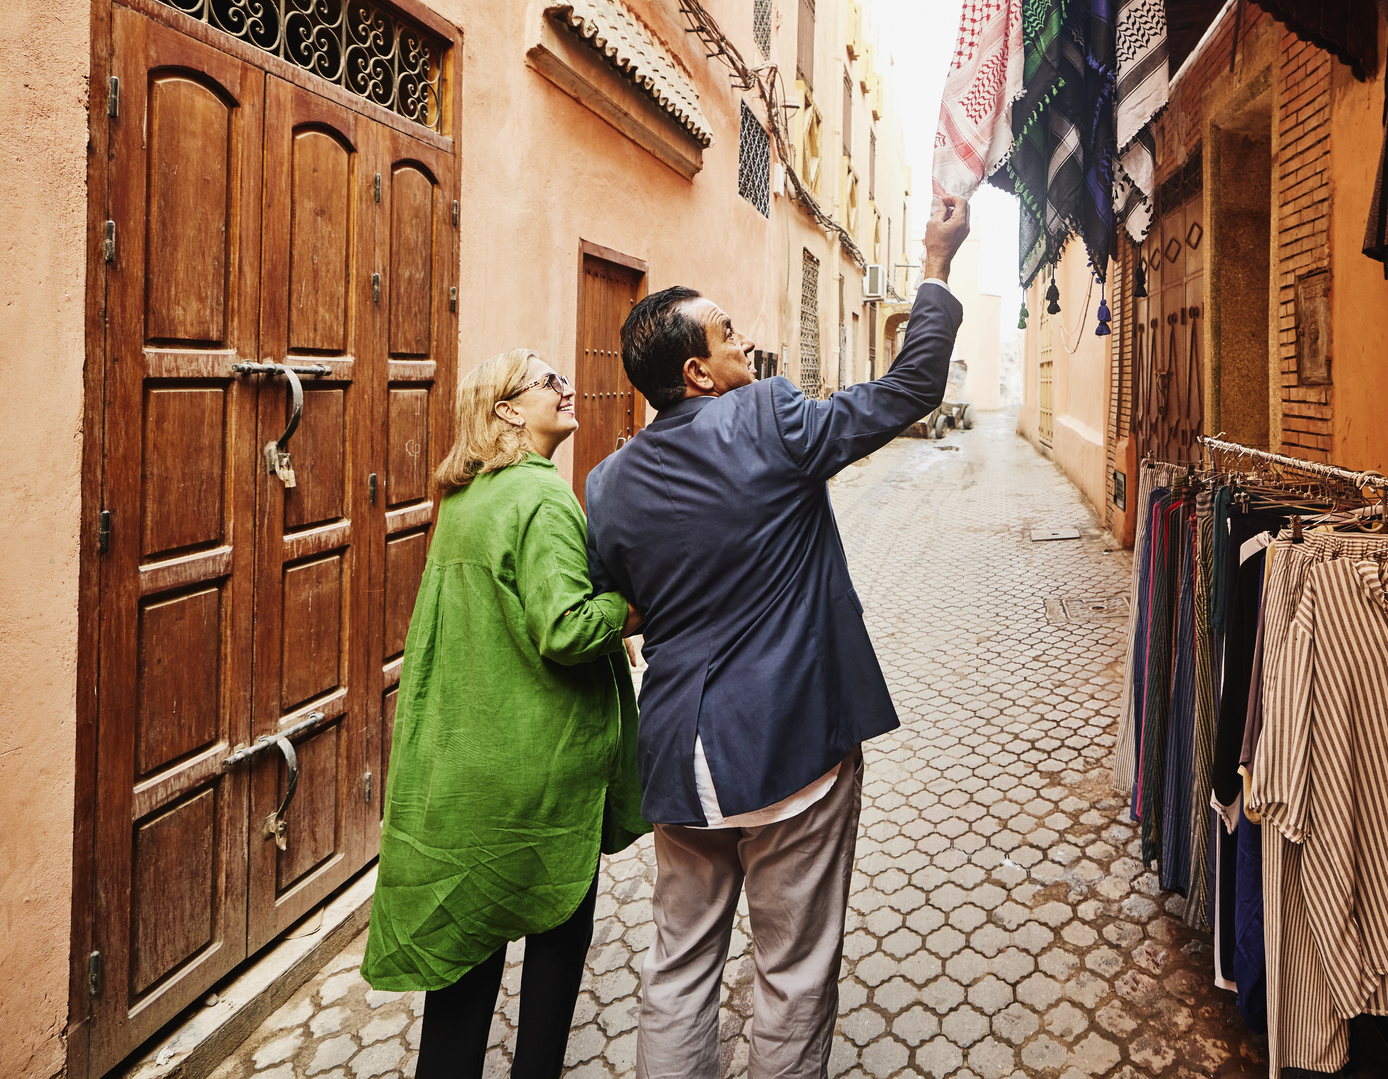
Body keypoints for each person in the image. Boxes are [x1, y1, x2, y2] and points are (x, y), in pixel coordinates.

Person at [586, 197, 972, 1079]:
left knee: (678, 965)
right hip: (791, 752)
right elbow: (910, 391)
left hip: (680, 764)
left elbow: (627, 607)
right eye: (726, 336)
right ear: (697, 373)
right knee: (792, 971)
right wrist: (936, 264)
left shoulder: (605, 486)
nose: (746, 344)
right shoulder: (768, 418)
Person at [362, 349, 648, 1079]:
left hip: (464, 772)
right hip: (541, 773)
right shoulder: (542, 495)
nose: (567, 386)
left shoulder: (464, 500)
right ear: (507, 411)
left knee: (462, 976)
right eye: (548, 380)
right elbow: (566, 629)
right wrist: (630, 610)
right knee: (554, 952)